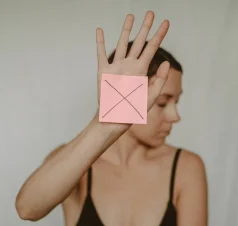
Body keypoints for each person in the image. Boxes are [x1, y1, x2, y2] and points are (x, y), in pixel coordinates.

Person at [15, 11, 208, 226]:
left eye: (176, 102)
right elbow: (27, 208)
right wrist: (104, 125)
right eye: (162, 103)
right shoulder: (74, 164)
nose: (175, 116)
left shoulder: (185, 167)